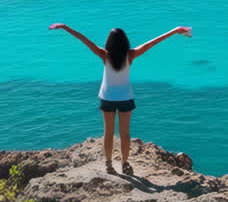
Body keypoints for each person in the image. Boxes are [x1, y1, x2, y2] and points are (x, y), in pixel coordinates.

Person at [49, 23, 192, 174]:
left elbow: (85, 40)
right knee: (125, 134)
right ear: (125, 41)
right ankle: (124, 163)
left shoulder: (104, 55)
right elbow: (152, 42)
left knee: (108, 133)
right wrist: (175, 30)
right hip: (125, 98)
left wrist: (65, 27)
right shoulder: (130, 55)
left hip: (107, 98)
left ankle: (109, 164)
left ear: (109, 42)